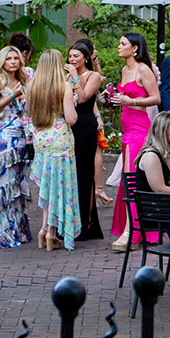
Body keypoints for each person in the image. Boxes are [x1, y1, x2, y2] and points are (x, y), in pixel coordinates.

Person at [109, 32, 160, 251]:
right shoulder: (124, 70)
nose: (119, 47)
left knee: (133, 177)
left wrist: (132, 100)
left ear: (135, 48)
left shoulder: (143, 69)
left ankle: (132, 231)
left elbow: (156, 98)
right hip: (126, 128)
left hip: (139, 129)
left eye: (123, 44)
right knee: (126, 177)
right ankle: (130, 228)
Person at [0, 45, 33, 249]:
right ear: (2, 61)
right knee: (4, 183)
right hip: (3, 136)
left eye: (16, 58)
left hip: (21, 135)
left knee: (18, 182)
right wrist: (12, 96)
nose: (13, 62)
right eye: (8, 59)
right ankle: (2, 231)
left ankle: (18, 229)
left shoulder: (23, 79)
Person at [29, 50, 80, 251]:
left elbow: (28, 112)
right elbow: (71, 119)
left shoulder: (33, 86)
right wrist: (73, 102)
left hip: (41, 139)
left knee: (47, 188)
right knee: (60, 189)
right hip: (60, 141)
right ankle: (51, 232)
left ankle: (43, 230)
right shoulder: (64, 87)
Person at [67, 41, 105, 241]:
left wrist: (74, 78)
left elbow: (82, 98)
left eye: (76, 56)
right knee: (71, 174)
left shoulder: (93, 76)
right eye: (70, 56)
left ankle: (87, 223)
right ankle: (71, 221)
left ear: (86, 58)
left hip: (85, 127)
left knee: (84, 173)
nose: (72, 60)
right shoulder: (66, 75)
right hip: (69, 127)